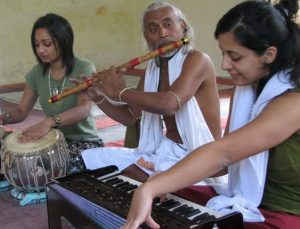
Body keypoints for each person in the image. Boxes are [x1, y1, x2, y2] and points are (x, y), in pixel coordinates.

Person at [121, 0, 300, 228]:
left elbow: (224, 154)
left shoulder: (293, 102)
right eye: (223, 54)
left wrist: (153, 186)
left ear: (269, 54)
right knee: (162, 202)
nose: (224, 65)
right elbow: (226, 162)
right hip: (245, 197)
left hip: (285, 212)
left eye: (235, 57)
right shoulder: (248, 87)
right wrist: (166, 180)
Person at [80, 1, 225, 184]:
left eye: (168, 24)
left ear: (183, 27)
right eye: (153, 28)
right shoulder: (153, 70)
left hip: (201, 156)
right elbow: (131, 117)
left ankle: (157, 182)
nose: (163, 33)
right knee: (94, 158)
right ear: (146, 38)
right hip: (167, 152)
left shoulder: (197, 60)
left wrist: (120, 91)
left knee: (123, 173)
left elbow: (169, 104)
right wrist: (99, 98)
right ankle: (156, 180)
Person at [0, 13, 103, 177]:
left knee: (48, 169)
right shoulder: (37, 73)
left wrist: (49, 121)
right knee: (8, 153)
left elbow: (83, 110)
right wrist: (4, 117)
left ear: (63, 41)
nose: (40, 50)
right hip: (52, 140)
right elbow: (21, 111)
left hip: (83, 142)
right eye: (36, 44)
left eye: (47, 44)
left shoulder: (84, 68)